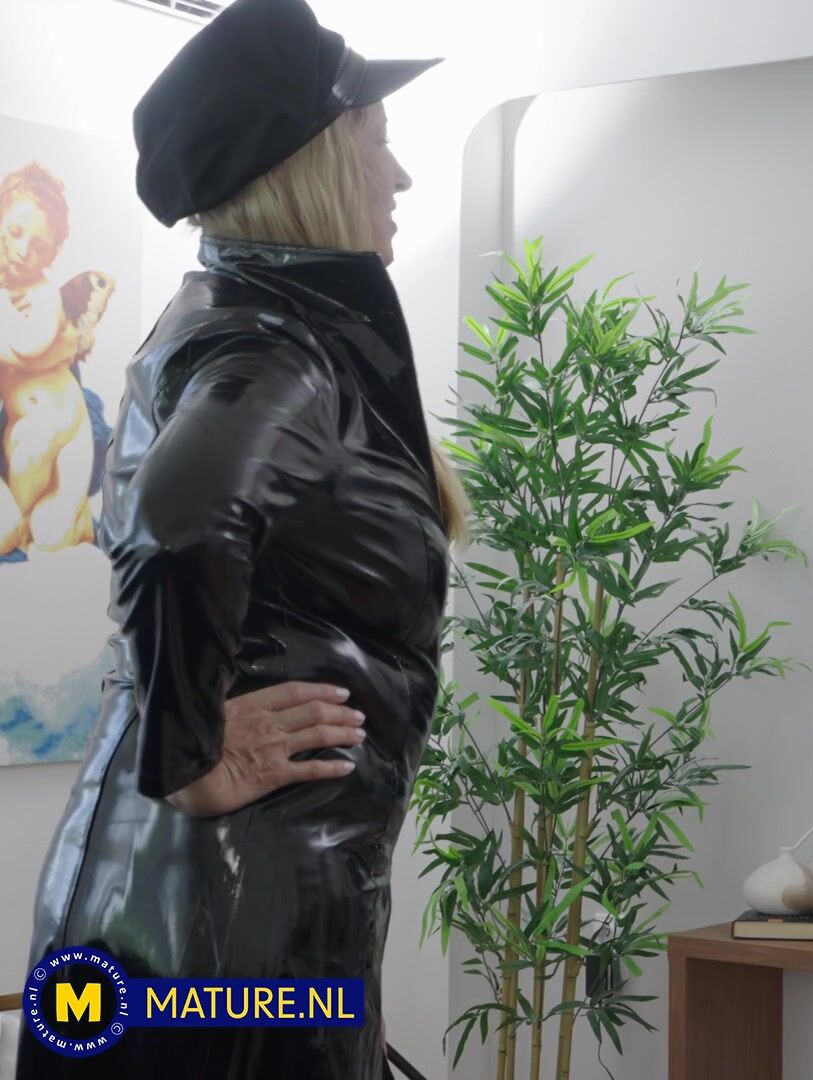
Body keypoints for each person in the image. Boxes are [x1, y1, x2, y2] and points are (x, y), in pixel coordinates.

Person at [15, 0, 467, 1075]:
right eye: (378, 140)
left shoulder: (234, 322)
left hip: (178, 907)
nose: (400, 176)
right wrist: (191, 760)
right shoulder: (276, 350)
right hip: (226, 921)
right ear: (316, 166)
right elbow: (178, 526)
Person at [0, 162, 114, 557]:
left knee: (54, 537)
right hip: (28, 432)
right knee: (29, 532)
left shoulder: (41, 292)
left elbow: (28, 346)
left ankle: (76, 521)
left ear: (53, 252)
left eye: (39, 247)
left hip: (70, 423)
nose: (22, 251)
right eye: (15, 233)